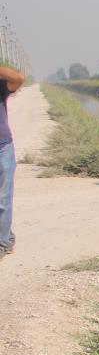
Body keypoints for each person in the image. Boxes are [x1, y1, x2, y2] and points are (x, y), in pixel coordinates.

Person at [0, 64, 26, 258]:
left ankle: (2, 242)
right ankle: (6, 235)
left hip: (2, 147)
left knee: (2, 199)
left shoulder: (2, 85)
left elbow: (18, 78)